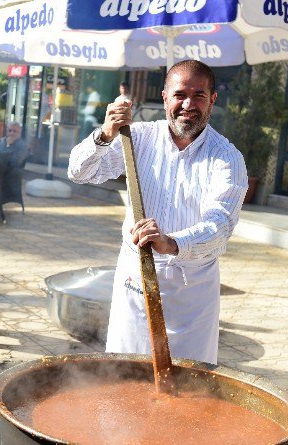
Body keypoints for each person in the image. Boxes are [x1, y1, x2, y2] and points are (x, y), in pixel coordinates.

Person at [67, 60, 248, 365]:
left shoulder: (226, 157)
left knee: (188, 386)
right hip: (136, 279)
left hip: (190, 293)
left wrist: (171, 242)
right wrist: (106, 134)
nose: (188, 105)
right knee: (125, 377)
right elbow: (79, 172)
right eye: (179, 94)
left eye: (199, 95)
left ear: (213, 100)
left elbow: (220, 226)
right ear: (165, 97)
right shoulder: (136, 138)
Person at [0, 121, 28, 222]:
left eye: (15, 131)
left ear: (19, 133)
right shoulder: (1, 141)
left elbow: (16, 162)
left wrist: (8, 146)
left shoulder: (22, 146)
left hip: (10, 176)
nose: (12, 133)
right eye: (10, 130)